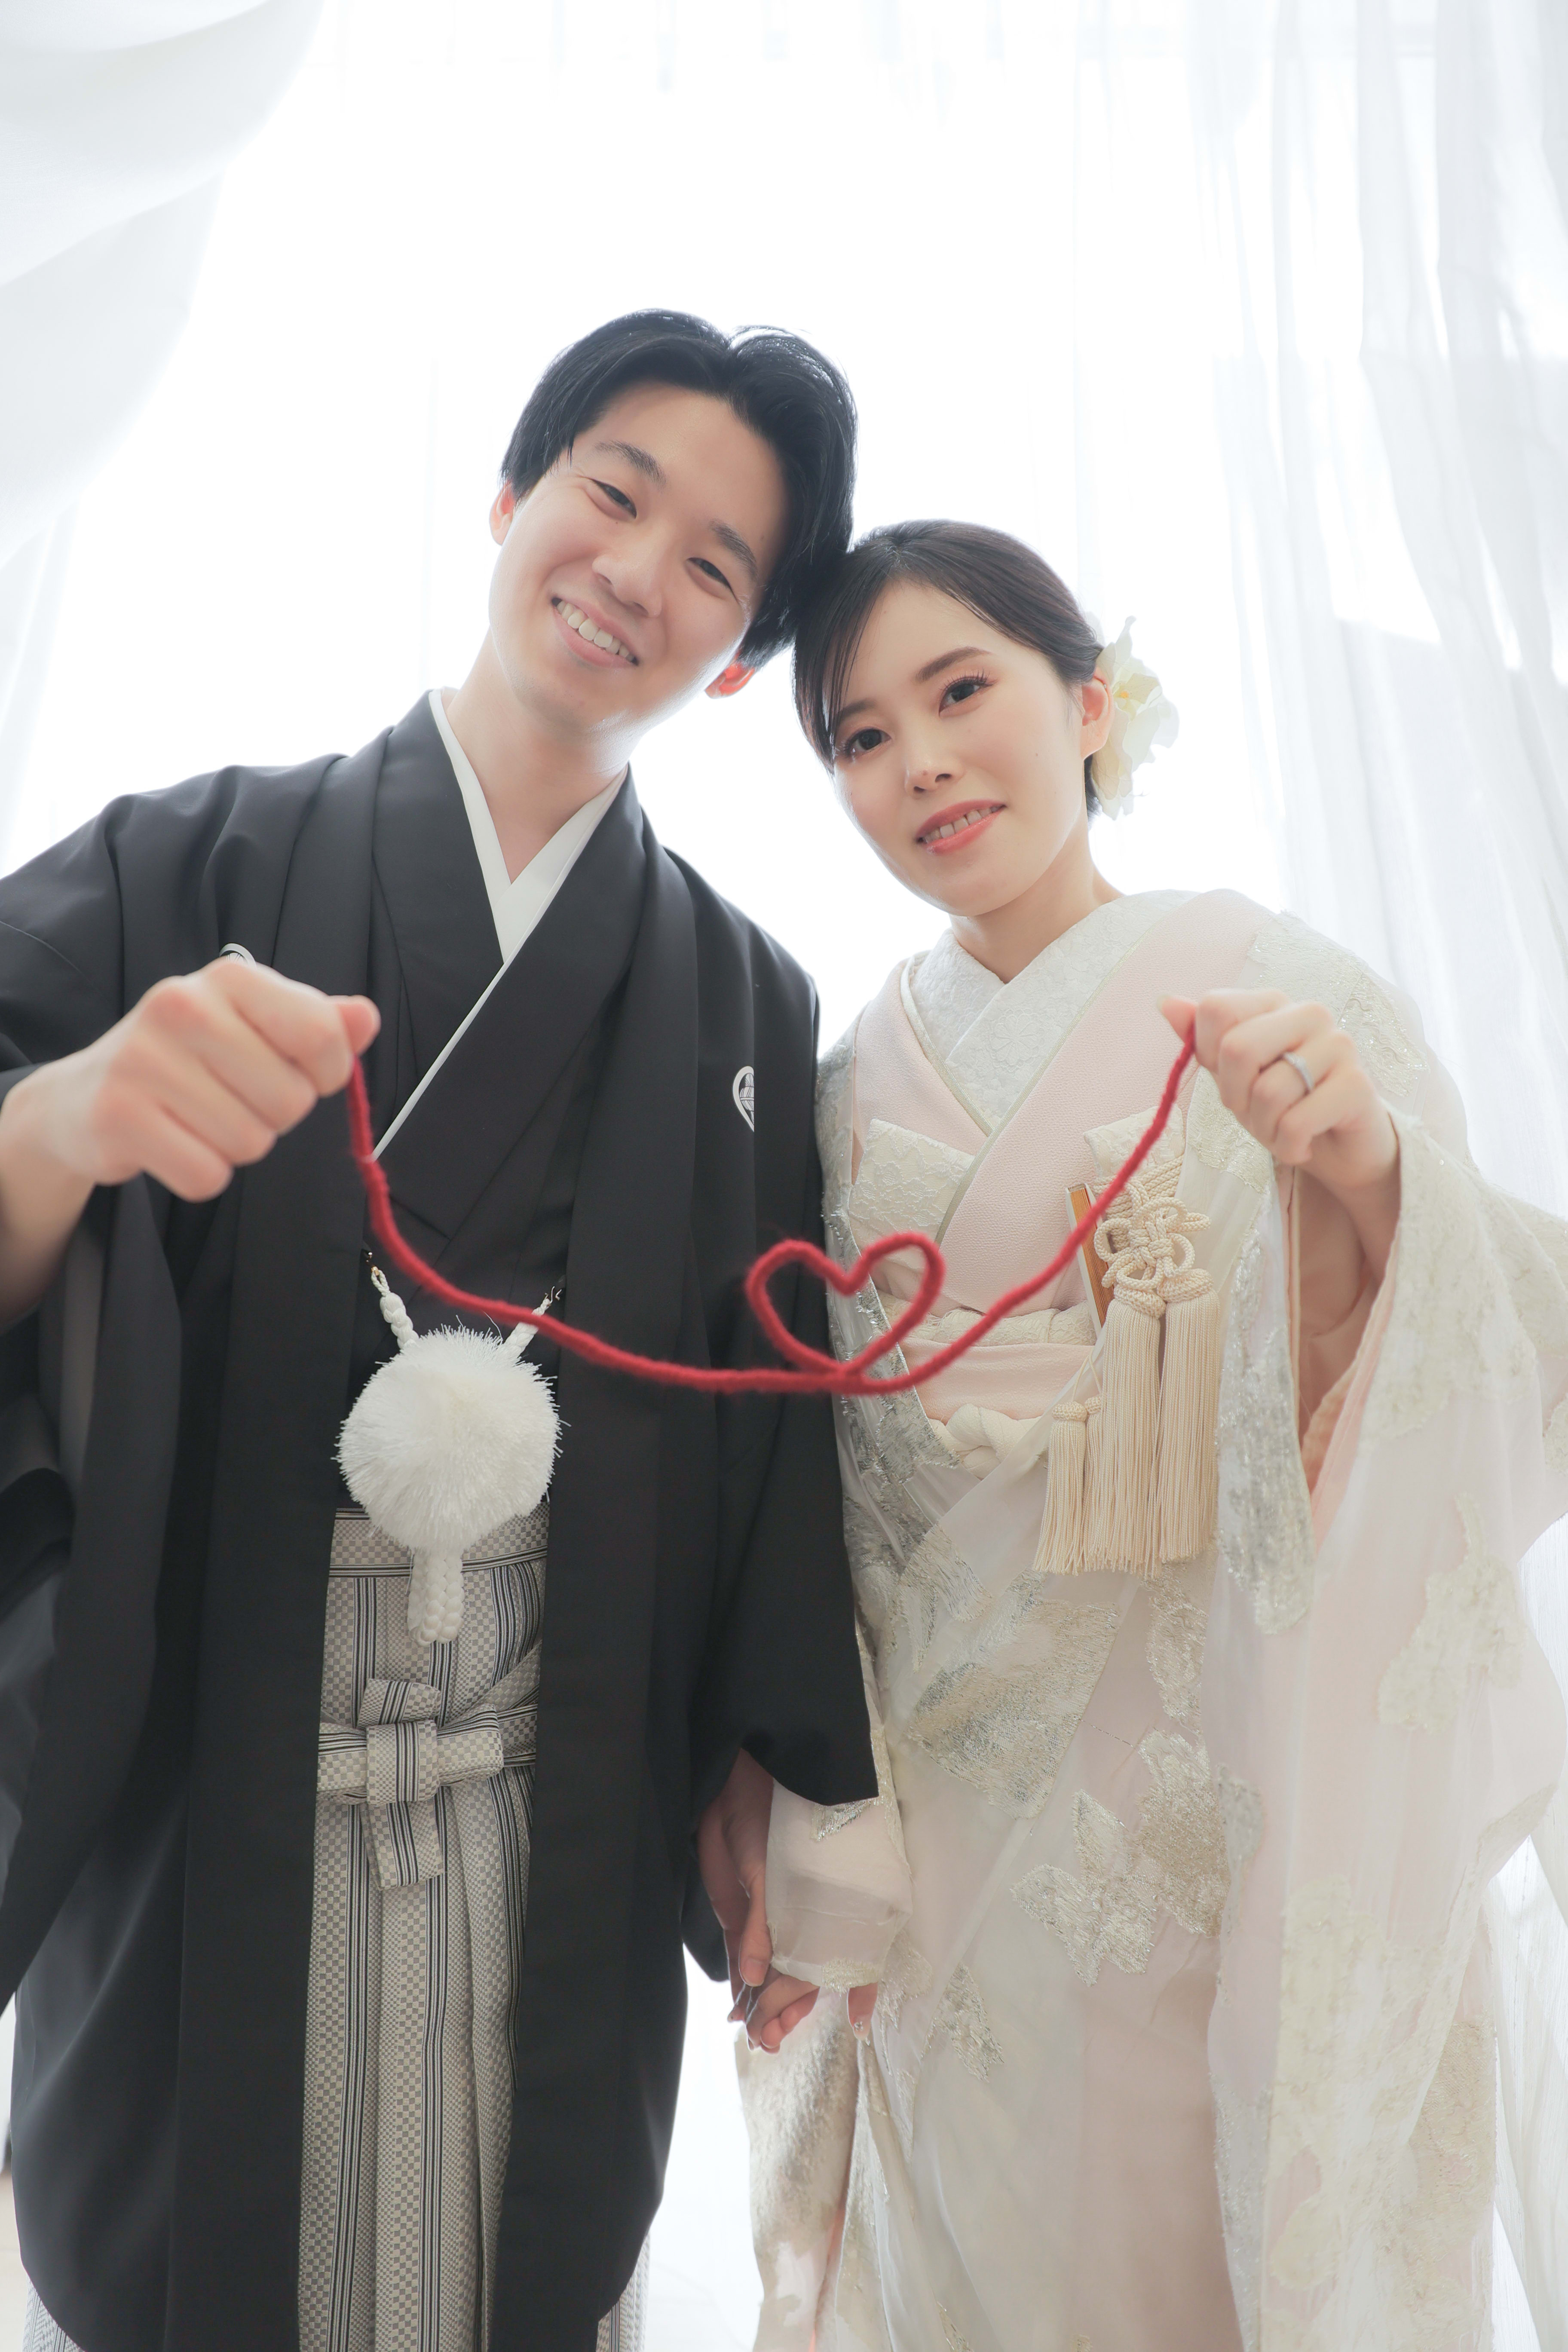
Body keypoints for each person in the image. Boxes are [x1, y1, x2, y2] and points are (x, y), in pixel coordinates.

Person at [0, 310, 880, 2352]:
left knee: (499, 2273)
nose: (636, 572)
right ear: (508, 498)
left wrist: (765, 1773)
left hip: (547, 1813)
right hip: (212, 1796)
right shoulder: (181, 864)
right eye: (612, 492)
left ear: (734, 658)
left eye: (713, 566)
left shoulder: (746, 1003)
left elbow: (772, 1439)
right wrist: (57, 1125)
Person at [736, 520, 1568, 2352]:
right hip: (953, 1840)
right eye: (862, 736)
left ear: (1089, 703)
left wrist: (1366, 1175)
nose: (921, 761)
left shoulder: (1281, 986)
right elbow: (814, 1491)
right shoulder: (842, 1080)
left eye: (963, 691)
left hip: (1204, 1790)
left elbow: (1491, 1339)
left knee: (1207, 2249)